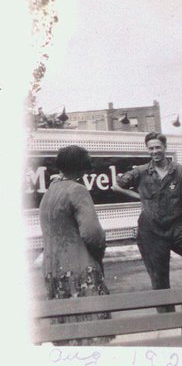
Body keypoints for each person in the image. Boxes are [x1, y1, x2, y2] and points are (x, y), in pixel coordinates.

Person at [113, 132, 182, 312]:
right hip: (150, 232)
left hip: (177, 227)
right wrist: (140, 197)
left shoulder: (179, 171)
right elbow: (117, 185)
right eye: (151, 148)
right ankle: (167, 320)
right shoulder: (141, 171)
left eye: (158, 147)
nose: (154, 151)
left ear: (165, 148)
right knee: (159, 280)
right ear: (147, 150)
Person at [39, 145, 111, 345]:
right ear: (82, 166)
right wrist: (99, 252)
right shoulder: (77, 190)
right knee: (91, 337)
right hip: (80, 270)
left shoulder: (49, 192)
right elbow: (92, 233)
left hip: (53, 270)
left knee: (66, 338)